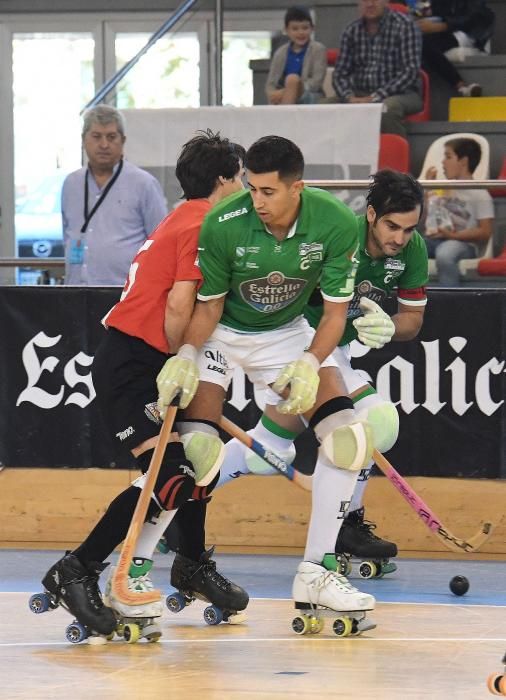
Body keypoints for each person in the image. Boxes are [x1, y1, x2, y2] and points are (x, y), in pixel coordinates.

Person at [157, 135, 378, 635]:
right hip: (221, 333)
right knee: (195, 452)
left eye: (267, 192)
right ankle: (134, 572)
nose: (255, 201)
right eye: (250, 188)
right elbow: (208, 305)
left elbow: (336, 312)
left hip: (285, 334)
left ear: (297, 187)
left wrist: (309, 361)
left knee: (350, 439)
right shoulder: (223, 221)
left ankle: (316, 574)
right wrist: (189, 354)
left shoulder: (336, 224)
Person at [39, 131, 248, 639]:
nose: (245, 188)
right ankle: (77, 569)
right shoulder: (203, 225)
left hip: (138, 358)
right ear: (222, 181)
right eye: (240, 178)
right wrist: (181, 359)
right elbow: (179, 306)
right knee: (171, 478)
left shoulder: (181, 217)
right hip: (132, 363)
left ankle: (192, 563)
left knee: (194, 466)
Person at [183, 169, 428, 577]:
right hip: (298, 346)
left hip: (336, 354)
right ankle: (345, 526)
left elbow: (412, 322)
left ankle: (179, 500)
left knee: (269, 449)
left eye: (409, 229)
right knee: (374, 422)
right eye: (391, 226)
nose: (399, 239)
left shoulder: (411, 249)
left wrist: (388, 325)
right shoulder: (335, 231)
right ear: (370, 215)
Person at [62, 104, 167, 285]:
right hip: (77, 291)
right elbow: (68, 234)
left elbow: (161, 244)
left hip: (125, 294)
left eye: (111, 137)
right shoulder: (71, 184)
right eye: (96, 137)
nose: (104, 144)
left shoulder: (144, 184)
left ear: (123, 140)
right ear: (83, 139)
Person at [332, 0, 423, 137]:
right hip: (359, 94)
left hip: (402, 93)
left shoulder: (405, 26)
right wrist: (349, 97)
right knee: (323, 106)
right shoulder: (351, 30)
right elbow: (339, 74)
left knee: (387, 108)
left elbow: (409, 71)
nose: (369, 4)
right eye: (364, 0)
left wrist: (375, 97)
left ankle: (395, 156)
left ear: (386, 1)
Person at [423, 137, 494, 286]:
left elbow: (485, 232)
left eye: (448, 157)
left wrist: (453, 235)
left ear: (463, 161)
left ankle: (450, 305)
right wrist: (428, 188)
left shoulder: (480, 193)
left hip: (464, 244)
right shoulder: (444, 188)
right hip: (437, 240)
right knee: (405, 245)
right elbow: (427, 220)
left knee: (445, 254)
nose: (443, 162)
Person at [412, 0, 495, 97]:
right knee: (415, 41)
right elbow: (438, 13)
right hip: (442, 29)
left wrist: (439, 26)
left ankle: (460, 85)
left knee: (424, 43)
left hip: (467, 33)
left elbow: (474, 18)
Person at [265, 5, 327, 105]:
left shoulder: (318, 49)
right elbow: (270, 84)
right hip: (281, 94)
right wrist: (273, 94)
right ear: (286, 30)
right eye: (295, 29)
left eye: (305, 28)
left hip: (309, 94)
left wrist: (290, 89)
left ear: (312, 29)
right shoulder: (280, 53)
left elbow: (316, 82)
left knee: (292, 79)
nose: (301, 32)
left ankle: (284, 118)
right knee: (282, 91)